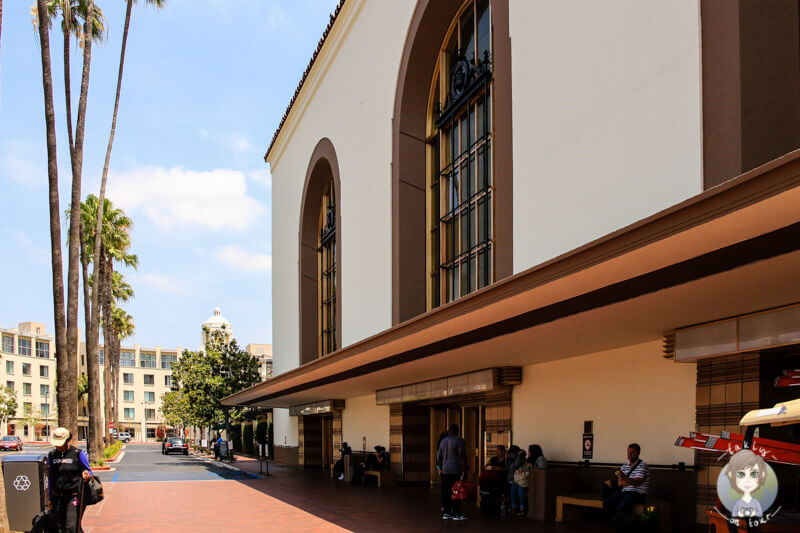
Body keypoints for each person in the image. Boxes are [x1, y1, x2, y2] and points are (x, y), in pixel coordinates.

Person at [48, 427, 92, 533]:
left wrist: (86, 474)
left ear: (67, 441)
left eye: (60, 443)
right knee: (60, 527)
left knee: (71, 527)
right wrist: (50, 497)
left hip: (74, 497)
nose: (58, 446)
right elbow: (50, 476)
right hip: (57, 497)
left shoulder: (78, 453)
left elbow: (88, 471)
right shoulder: (52, 455)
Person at [602, 443, 649, 519]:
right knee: (607, 503)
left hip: (638, 494)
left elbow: (636, 483)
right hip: (625, 492)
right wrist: (631, 481)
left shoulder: (642, 465)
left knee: (623, 506)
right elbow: (620, 483)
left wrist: (624, 477)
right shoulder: (624, 466)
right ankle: (616, 522)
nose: (629, 455)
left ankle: (623, 524)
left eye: (632, 453)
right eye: (628, 453)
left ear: (638, 453)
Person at [437, 423, 468, 521]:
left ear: (449, 431)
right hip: (455, 469)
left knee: (446, 491)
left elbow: (440, 456)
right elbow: (461, 455)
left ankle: (446, 512)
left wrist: (441, 468)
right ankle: (457, 513)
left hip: (445, 470)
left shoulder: (443, 441)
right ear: (457, 431)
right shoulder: (459, 440)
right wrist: (465, 468)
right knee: (456, 491)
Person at [726, 449, 767, 518]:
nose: (747, 480)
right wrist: (739, 513)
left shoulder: (755, 502)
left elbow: (760, 513)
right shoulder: (738, 502)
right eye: (741, 474)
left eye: (754, 474)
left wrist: (754, 513)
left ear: (762, 475)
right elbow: (734, 514)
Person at [511, 450, 531, 516]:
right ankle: (514, 508)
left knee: (520, 488)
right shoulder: (516, 462)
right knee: (513, 487)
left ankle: (522, 509)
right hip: (518, 480)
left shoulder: (528, 462)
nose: (519, 457)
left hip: (525, 482)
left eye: (521, 455)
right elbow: (514, 467)